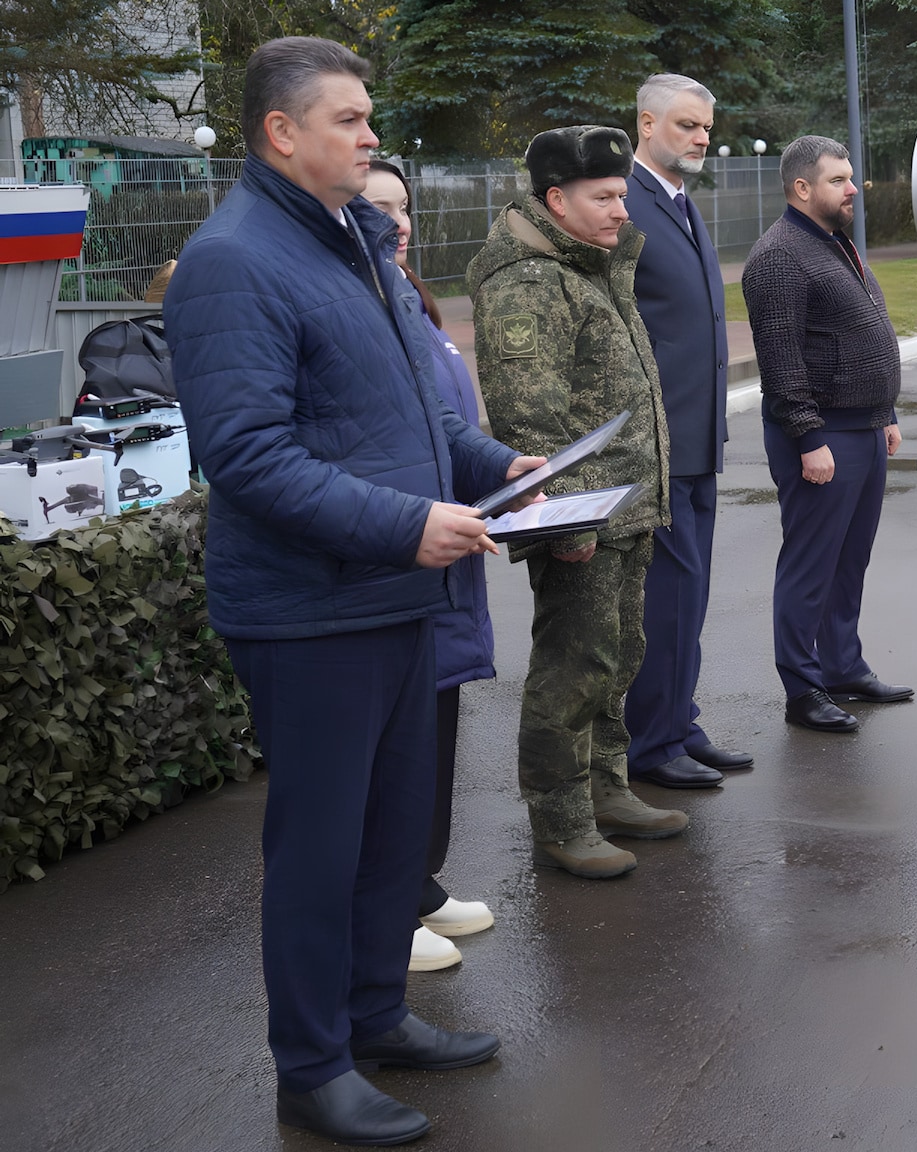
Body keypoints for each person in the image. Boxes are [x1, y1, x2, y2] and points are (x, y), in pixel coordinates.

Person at [166, 36, 534, 1146]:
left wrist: (498, 467)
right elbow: (247, 457)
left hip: (389, 595)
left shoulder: (352, 241)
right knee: (320, 851)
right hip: (311, 612)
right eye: (350, 119)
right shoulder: (236, 260)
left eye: (369, 117)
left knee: (389, 838)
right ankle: (313, 1066)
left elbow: (406, 415)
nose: (373, 136)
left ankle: (377, 1015)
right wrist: (407, 525)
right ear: (282, 133)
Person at [469, 125, 685, 880]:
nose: (622, 210)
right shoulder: (529, 281)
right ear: (556, 200)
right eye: (605, 197)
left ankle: (606, 788)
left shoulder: (590, 263)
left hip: (624, 506)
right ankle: (562, 820)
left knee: (618, 655)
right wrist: (565, 521)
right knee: (573, 664)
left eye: (623, 195)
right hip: (583, 516)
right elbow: (529, 421)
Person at [363, 159, 498, 973]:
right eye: (380, 206)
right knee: (392, 750)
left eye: (405, 206)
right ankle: (386, 905)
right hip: (400, 549)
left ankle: (417, 882)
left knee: (434, 732)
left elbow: (446, 424)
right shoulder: (362, 301)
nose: (400, 222)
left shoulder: (410, 297)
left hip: (446, 548)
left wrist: (503, 469)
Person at [741, 134, 913, 735]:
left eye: (851, 177)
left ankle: (842, 666)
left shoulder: (834, 242)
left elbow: (862, 330)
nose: (853, 189)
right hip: (821, 436)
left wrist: (884, 412)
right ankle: (803, 687)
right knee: (811, 566)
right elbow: (781, 360)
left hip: (862, 426)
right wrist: (809, 438)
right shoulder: (779, 256)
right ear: (801, 188)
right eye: (838, 180)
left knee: (849, 561)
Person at [619, 73, 753, 790]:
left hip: (698, 438)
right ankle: (652, 743)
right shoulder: (624, 200)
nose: (702, 138)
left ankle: (680, 722)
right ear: (647, 124)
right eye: (686, 125)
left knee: (690, 595)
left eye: (706, 127)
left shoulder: (677, 199)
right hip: (658, 441)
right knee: (668, 597)